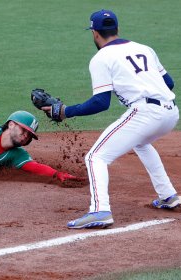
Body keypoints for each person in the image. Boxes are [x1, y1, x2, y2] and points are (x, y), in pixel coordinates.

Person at [38, 9, 180, 229]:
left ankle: (99, 211)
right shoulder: (144, 49)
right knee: (141, 143)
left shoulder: (101, 58)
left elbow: (100, 103)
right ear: (117, 29)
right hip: (171, 113)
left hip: (145, 113)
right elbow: (168, 83)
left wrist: (66, 111)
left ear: (95, 33)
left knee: (95, 157)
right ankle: (168, 196)